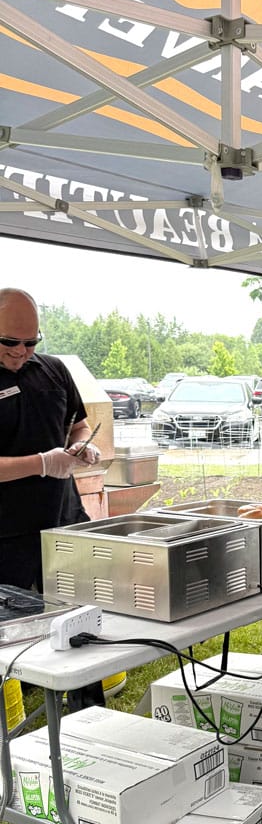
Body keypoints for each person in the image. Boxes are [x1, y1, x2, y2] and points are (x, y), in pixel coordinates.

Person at [0, 288, 105, 709]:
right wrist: (41, 463)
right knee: (11, 634)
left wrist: (84, 446)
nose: (21, 352)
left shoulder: (54, 369)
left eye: (31, 343)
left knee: (81, 622)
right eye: (10, 343)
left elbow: (78, 424)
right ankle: (16, 711)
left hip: (64, 521)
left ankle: (90, 712)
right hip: (6, 533)